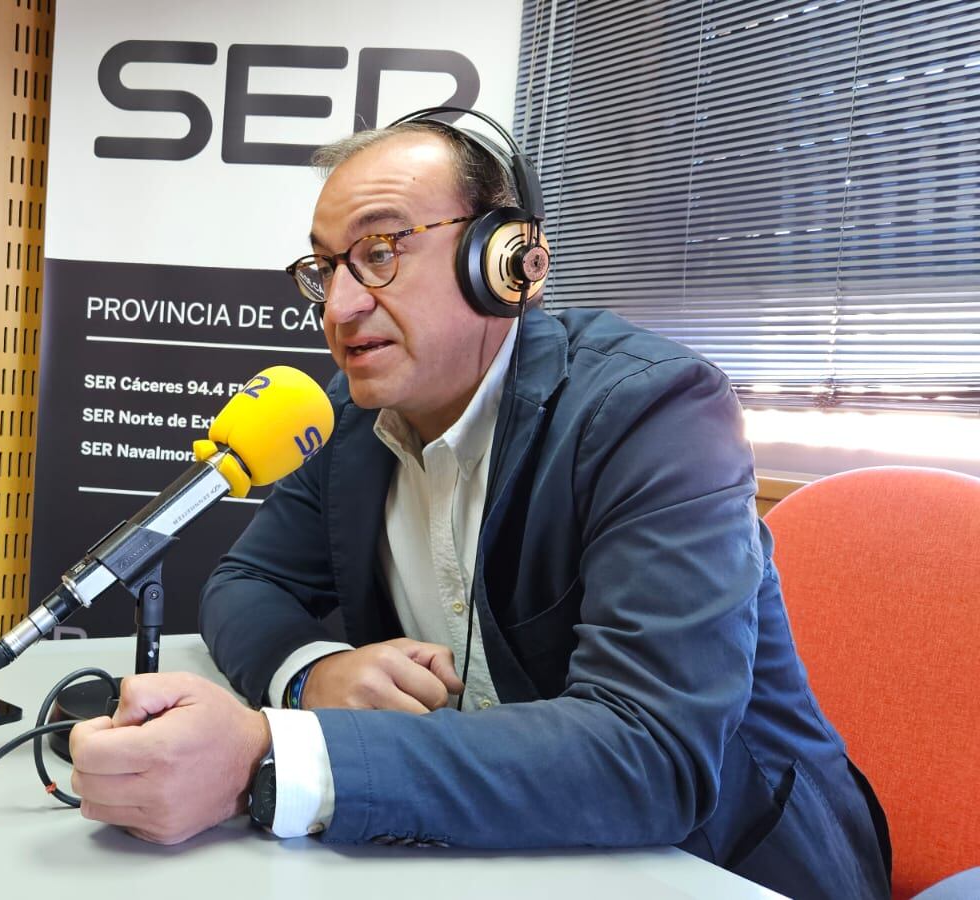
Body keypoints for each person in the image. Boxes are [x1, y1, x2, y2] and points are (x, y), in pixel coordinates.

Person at [67, 110, 891, 900]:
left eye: (381, 252)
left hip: (717, 862)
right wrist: (313, 674)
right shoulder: (350, 424)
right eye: (326, 269)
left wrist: (272, 755)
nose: (339, 307)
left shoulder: (654, 412)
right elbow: (245, 582)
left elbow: (653, 751)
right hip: (483, 853)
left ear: (507, 262)